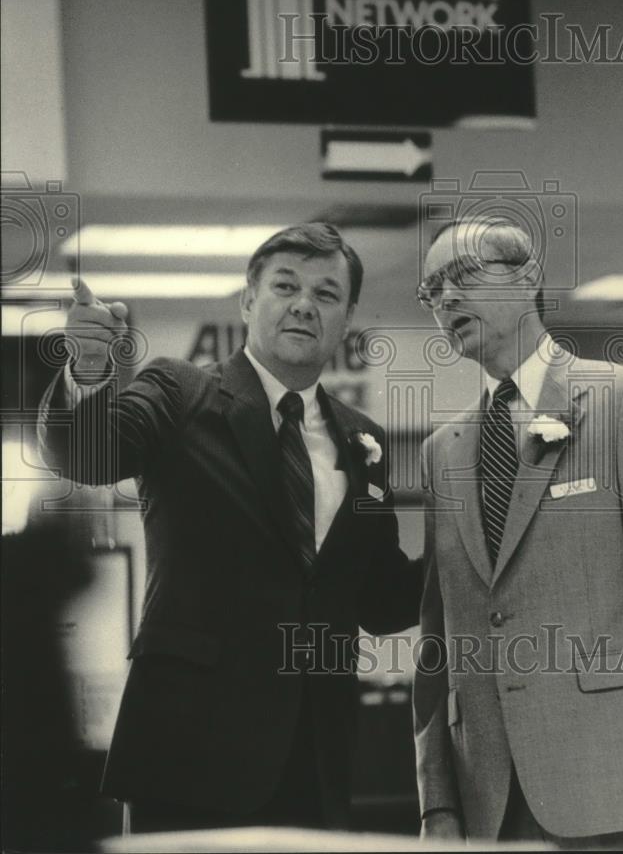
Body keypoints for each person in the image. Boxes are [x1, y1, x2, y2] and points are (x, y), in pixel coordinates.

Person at [37, 222, 421, 833]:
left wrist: (478, 537)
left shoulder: (362, 437)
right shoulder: (179, 389)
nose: (303, 303)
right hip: (190, 753)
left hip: (318, 756)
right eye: (285, 285)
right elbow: (85, 457)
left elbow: (379, 598)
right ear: (247, 301)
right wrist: (87, 373)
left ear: (346, 319)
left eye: (325, 294)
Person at [413, 216, 623, 850]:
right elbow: (437, 639)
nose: (445, 299)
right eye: (431, 289)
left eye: (461, 275)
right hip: (486, 805)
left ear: (527, 278)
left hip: (613, 793)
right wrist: (436, 802)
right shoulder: (440, 451)